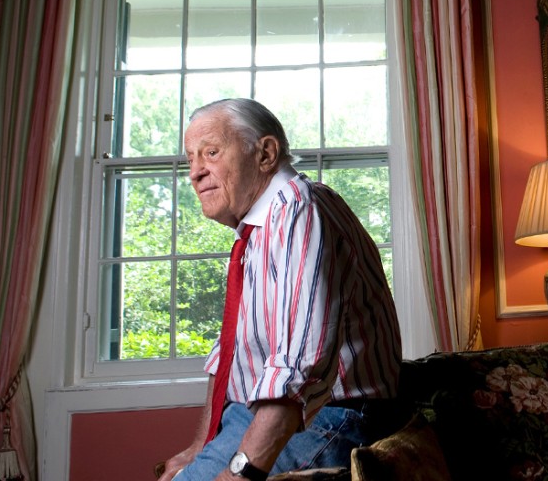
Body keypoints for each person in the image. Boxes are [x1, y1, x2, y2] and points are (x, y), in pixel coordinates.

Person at [159, 98, 402, 481]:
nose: (195, 172)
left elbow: (296, 374)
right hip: (261, 408)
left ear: (266, 153)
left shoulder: (298, 213)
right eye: (191, 158)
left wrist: (239, 473)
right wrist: (199, 447)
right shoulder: (260, 226)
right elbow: (230, 352)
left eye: (211, 153)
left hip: (329, 414)